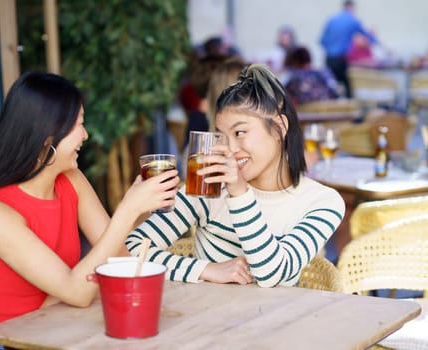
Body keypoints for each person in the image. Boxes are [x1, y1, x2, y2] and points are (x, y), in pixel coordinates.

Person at [0, 72, 180, 348]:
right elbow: (78, 292)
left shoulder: (71, 181)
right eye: (79, 125)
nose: (85, 135)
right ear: (47, 136)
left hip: (58, 328)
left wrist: (141, 206)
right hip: (1, 343)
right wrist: (128, 209)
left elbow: (120, 258)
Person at [125, 64, 345, 286]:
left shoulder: (322, 202)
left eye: (240, 132)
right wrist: (206, 270)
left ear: (279, 127)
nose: (229, 148)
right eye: (222, 136)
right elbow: (132, 249)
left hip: (277, 319)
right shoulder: (208, 186)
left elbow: (272, 274)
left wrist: (240, 193)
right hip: (209, 316)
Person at [320, 0, 378, 98]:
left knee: (332, 86)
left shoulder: (331, 20)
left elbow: (322, 40)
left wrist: (331, 49)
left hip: (329, 58)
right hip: (341, 59)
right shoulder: (352, 20)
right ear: (351, 7)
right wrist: (377, 42)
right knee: (348, 88)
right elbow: (367, 36)